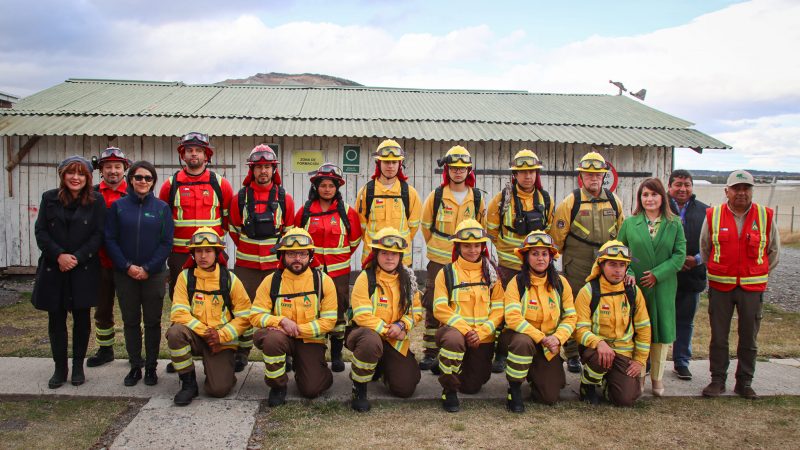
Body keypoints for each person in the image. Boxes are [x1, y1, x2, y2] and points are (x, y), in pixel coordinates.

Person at [700, 170, 780, 400]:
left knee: (749, 338)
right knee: (718, 337)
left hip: (752, 289)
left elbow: (773, 252)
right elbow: (705, 248)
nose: (741, 193)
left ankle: (744, 382)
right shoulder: (713, 215)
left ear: (752, 191)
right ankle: (717, 380)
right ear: (727, 191)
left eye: (746, 188)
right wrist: (719, 270)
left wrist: (757, 272)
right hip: (721, 287)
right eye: (736, 188)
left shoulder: (765, 216)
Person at [32, 156, 105, 388]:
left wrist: (78, 257)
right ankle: (59, 367)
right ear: (63, 175)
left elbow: (99, 234)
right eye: (71, 173)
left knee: (82, 320)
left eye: (81, 174)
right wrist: (59, 255)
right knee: (56, 320)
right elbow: (41, 231)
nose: (76, 178)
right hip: (55, 267)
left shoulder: (96, 200)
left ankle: (77, 367)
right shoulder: (49, 198)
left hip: (82, 267)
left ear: (87, 177)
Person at [550, 151, 624, 373]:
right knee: (572, 306)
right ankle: (572, 353)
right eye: (589, 174)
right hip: (578, 261)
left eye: (598, 175)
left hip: (606, 263)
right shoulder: (571, 201)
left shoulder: (614, 201)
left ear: (604, 176)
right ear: (581, 176)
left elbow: (621, 234)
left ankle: (600, 347)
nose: (594, 179)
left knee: (601, 304)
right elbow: (557, 237)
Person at [250, 228, 338, 407]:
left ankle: (312, 369)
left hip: (310, 341)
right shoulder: (271, 281)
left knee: (312, 390)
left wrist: (296, 330)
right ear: (282, 255)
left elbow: (329, 321)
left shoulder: (323, 281)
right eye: (291, 253)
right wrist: (281, 321)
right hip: (281, 338)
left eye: (302, 253)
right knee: (271, 340)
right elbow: (255, 315)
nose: (297, 258)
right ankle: (277, 386)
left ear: (310, 255)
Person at [104, 161, 173, 386]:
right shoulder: (119, 207)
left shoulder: (161, 208)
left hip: (153, 275)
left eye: (148, 178)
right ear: (131, 179)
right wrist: (127, 266)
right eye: (138, 177)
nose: (143, 181)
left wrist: (148, 268)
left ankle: (152, 368)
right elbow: (110, 239)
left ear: (153, 182)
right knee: (130, 321)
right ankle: (135, 366)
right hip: (125, 274)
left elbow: (166, 242)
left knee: (152, 322)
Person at [419, 145, 487, 371]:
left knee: (459, 301)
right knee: (432, 303)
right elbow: (426, 225)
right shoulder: (437, 195)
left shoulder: (477, 197)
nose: (458, 172)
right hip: (439, 257)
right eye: (454, 168)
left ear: (469, 171)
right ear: (447, 170)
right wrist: (439, 245)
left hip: (466, 259)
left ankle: (454, 346)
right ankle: (430, 351)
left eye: (462, 168)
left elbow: (481, 228)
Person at [166, 227, 251, 406]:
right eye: (198, 251)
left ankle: (226, 369)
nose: (203, 256)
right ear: (193, 254)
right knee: (175, 333)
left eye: (208, 251)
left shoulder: (229, 279)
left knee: (218, 390)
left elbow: (245, 316)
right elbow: (179, 312)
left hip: (221, 340)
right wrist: (206, 332)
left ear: (217, 253)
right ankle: (188, 383)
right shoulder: (185, 277)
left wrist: (220, 336)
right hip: (198, 336)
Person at [617, 178, 686, 396]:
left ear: (662, 197)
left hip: (663, 286)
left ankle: (657, 377)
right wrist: (627, 273)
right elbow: (620, 252)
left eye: (654, 194)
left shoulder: (674, 223)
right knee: (638, 329)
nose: (649, 199)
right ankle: (638, 374)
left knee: (661, 333)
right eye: (645, 195)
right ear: (640, 198)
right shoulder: (630, 223)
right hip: (635, 285)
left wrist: (658, 274)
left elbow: (679, 254)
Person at [230, 145, 295, 372]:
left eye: (267, 166)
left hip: (274, 266)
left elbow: (289, 232)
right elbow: (233, 229)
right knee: (244, 308)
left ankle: (283, 351)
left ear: (273, 169)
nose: (263, 171)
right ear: (252, 170)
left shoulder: (284, 198)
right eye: (258, 167)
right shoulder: (240, 197)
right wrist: (249, 248)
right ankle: (242, 351)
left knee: (279, 309)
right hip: (246, 265)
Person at [486, 149, 553, 373]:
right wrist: (507, 252)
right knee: (505, 310)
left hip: (536, 270)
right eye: (522, 172)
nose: (527, 176)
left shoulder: (545, 199)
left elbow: (549, 231)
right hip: (508, 267)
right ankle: (500, 353)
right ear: (515, 174)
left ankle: (532, 347)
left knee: (533, 308)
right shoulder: (502, 199)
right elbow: (492, 231)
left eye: (531, 172)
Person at [347, 227, 424, 411]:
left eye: (394, 254)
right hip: (366, 336)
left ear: (400, 256)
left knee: (406, 388)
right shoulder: (365, 278)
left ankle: (381, 369)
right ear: (375, 254)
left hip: (395, 339)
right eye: (384, 253)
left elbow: (416, 311)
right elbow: (362, 315)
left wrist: (402, 325)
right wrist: (388, 329)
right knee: (371, 342)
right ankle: (359, 387)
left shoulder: (408, 280)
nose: (389, 258)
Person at [295, 163, 361, 372]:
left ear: (337, 188)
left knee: (338, 312)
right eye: (322, 185)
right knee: (312, 310)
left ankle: (336, 353)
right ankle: (315, 351)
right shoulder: (305, 212)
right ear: (316, 187)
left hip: (338, 273)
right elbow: (296, 240)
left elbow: (354, 240)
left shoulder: (348, 212)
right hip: (310, 273)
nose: (326, 189)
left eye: (331, 186)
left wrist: (338, 259)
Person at [433, 219, 504, 412]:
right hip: (456, 335)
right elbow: (440, 308)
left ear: (483, 246)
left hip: (482, 338)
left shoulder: (492, 275)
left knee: (473, 386)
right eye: (467, 246)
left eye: (477, 245)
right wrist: (465, 331)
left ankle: (445, 364)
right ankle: (449, 390)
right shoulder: (447, 273)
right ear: (458, 246)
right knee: (454, 342)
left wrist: (481, 332)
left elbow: (499, 309)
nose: (472, 250)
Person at [500, 231, 576, 411]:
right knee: (522, 341)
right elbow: (512, 318)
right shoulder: (516, 283)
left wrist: (557, 338)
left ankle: (536, 373)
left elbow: (571, 317)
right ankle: (515, 389)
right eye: (534, 254)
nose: (540, 259)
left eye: (544, 254)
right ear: (526, 257)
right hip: (519, 340)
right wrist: (542, 338)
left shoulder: (561, 283)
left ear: (551, 257)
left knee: (549, 397)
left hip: (549, 345)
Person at [573, 240, 651, 407]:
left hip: (624, 351)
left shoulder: (633, 291)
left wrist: (639, 360)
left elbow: (644, 327)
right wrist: (598, 342)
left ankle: (610, 383)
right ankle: (588, 385)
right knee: (598, 360)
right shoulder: (588, 291)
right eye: (612, 264)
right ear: (601, 265)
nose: (618, 270)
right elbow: (579, 329)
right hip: (596, 350)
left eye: (622, 265)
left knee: (626, 399)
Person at [159, 132, 233, 301]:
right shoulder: (170, 185)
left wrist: (215, 244)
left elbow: (228, 219)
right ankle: (180, 326)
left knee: (214, 293)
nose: (193, 153)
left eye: (198, 150)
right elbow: (163, 221)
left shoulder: (221, 184)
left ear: (206, 155)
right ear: (182, 156)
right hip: (180, 253)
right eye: (189, 150)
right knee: (180, 294)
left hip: (211, 251)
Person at [87, 147, 130, 368]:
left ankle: (134, 352)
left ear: (125, 169)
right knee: (102, 309)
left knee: (130, 310)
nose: (113, 171)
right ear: (101, 170)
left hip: (125, 263)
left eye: (117, 166)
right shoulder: (91, 194)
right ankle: (105, 350)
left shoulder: (135, 194)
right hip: (99, 262)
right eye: (108, 167)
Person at [667, 169, 709, 381]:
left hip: (692, 274)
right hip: (665, 275)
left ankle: (681, 361)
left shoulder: (705, 211)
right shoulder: (659, 207)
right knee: (655, 319)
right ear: (669, 187)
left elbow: (713, 243)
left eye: (687, 184)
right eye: (678, 184)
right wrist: (673, 261)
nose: (682, 188)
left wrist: (698, 259)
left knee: (685, 321)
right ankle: (647, 361)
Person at [355, 139, 421, 268]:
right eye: (386, 162)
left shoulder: (410, 193)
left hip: (400, 257)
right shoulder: (366, 192)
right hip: (372, 257)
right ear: (378, 163)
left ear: (399, 164)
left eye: (394, 162)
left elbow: (413, 228)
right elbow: (361, 226)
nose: (390, 166)